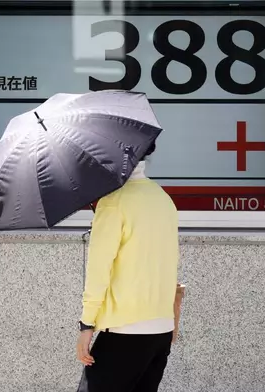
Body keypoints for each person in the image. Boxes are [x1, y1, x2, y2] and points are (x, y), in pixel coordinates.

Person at [75, 141, 179, 392]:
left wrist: (87, 325)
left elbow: (99, 271)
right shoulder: (162, 198)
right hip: (161, 328)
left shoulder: (113, 203)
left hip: (125, 330)